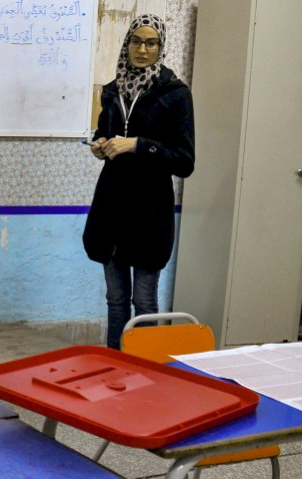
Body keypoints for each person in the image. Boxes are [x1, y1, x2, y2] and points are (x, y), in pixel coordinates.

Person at [82, 14, 195, 350]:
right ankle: (115, 364)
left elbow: (184, 161)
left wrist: (138, 144)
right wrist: (100, 145)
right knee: (115, 299)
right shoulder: (113, 90)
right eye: (136, 41)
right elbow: (103, 131)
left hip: (149, 213)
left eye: (151, 43)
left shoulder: (175, 95)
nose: (142, 49)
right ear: (126, 43)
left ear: (161, 47)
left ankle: (146, 369)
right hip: (112, 209)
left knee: (144, 302)